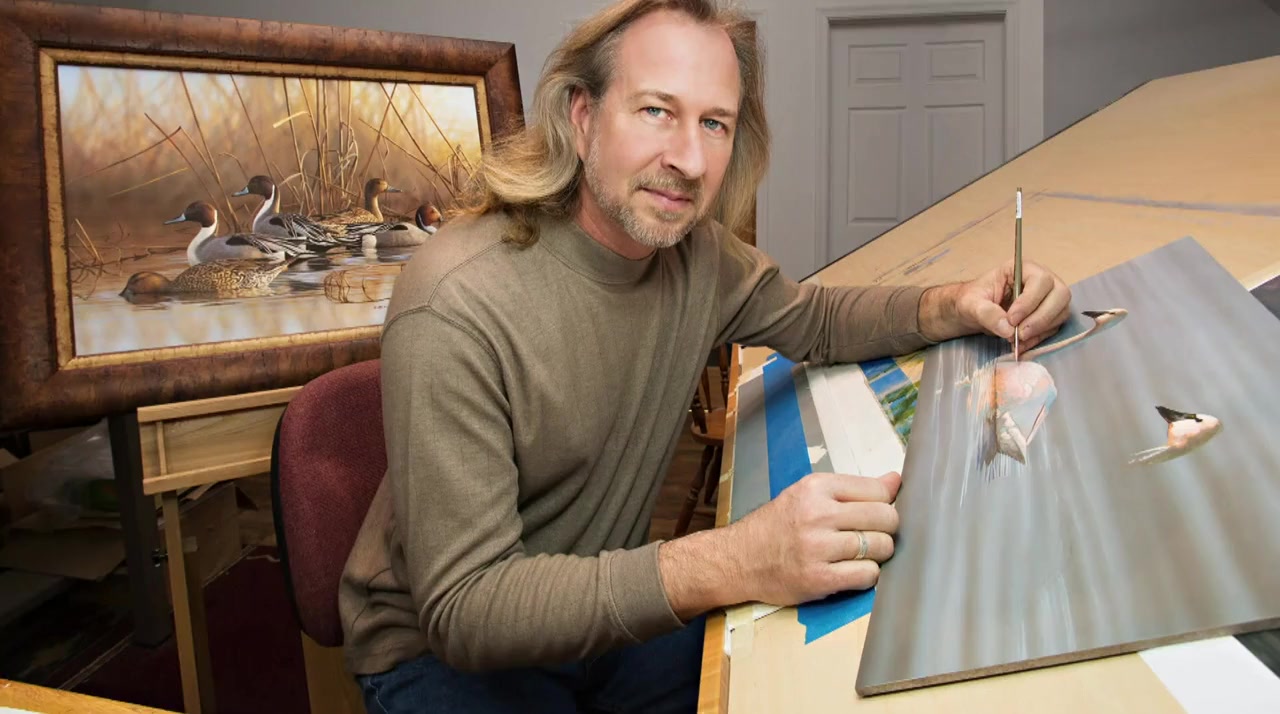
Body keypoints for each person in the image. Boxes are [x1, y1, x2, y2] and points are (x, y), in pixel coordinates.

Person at [337, 0, 1072, 712]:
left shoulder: (699, 256)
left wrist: (954, 303)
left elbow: (816, 319)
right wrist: (738, 558)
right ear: (582, 116)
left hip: (592, 609)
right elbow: (469, 609)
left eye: (713, 123)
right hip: (444, 657)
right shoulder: (456, 300)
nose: (689, 160)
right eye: (657, 110)